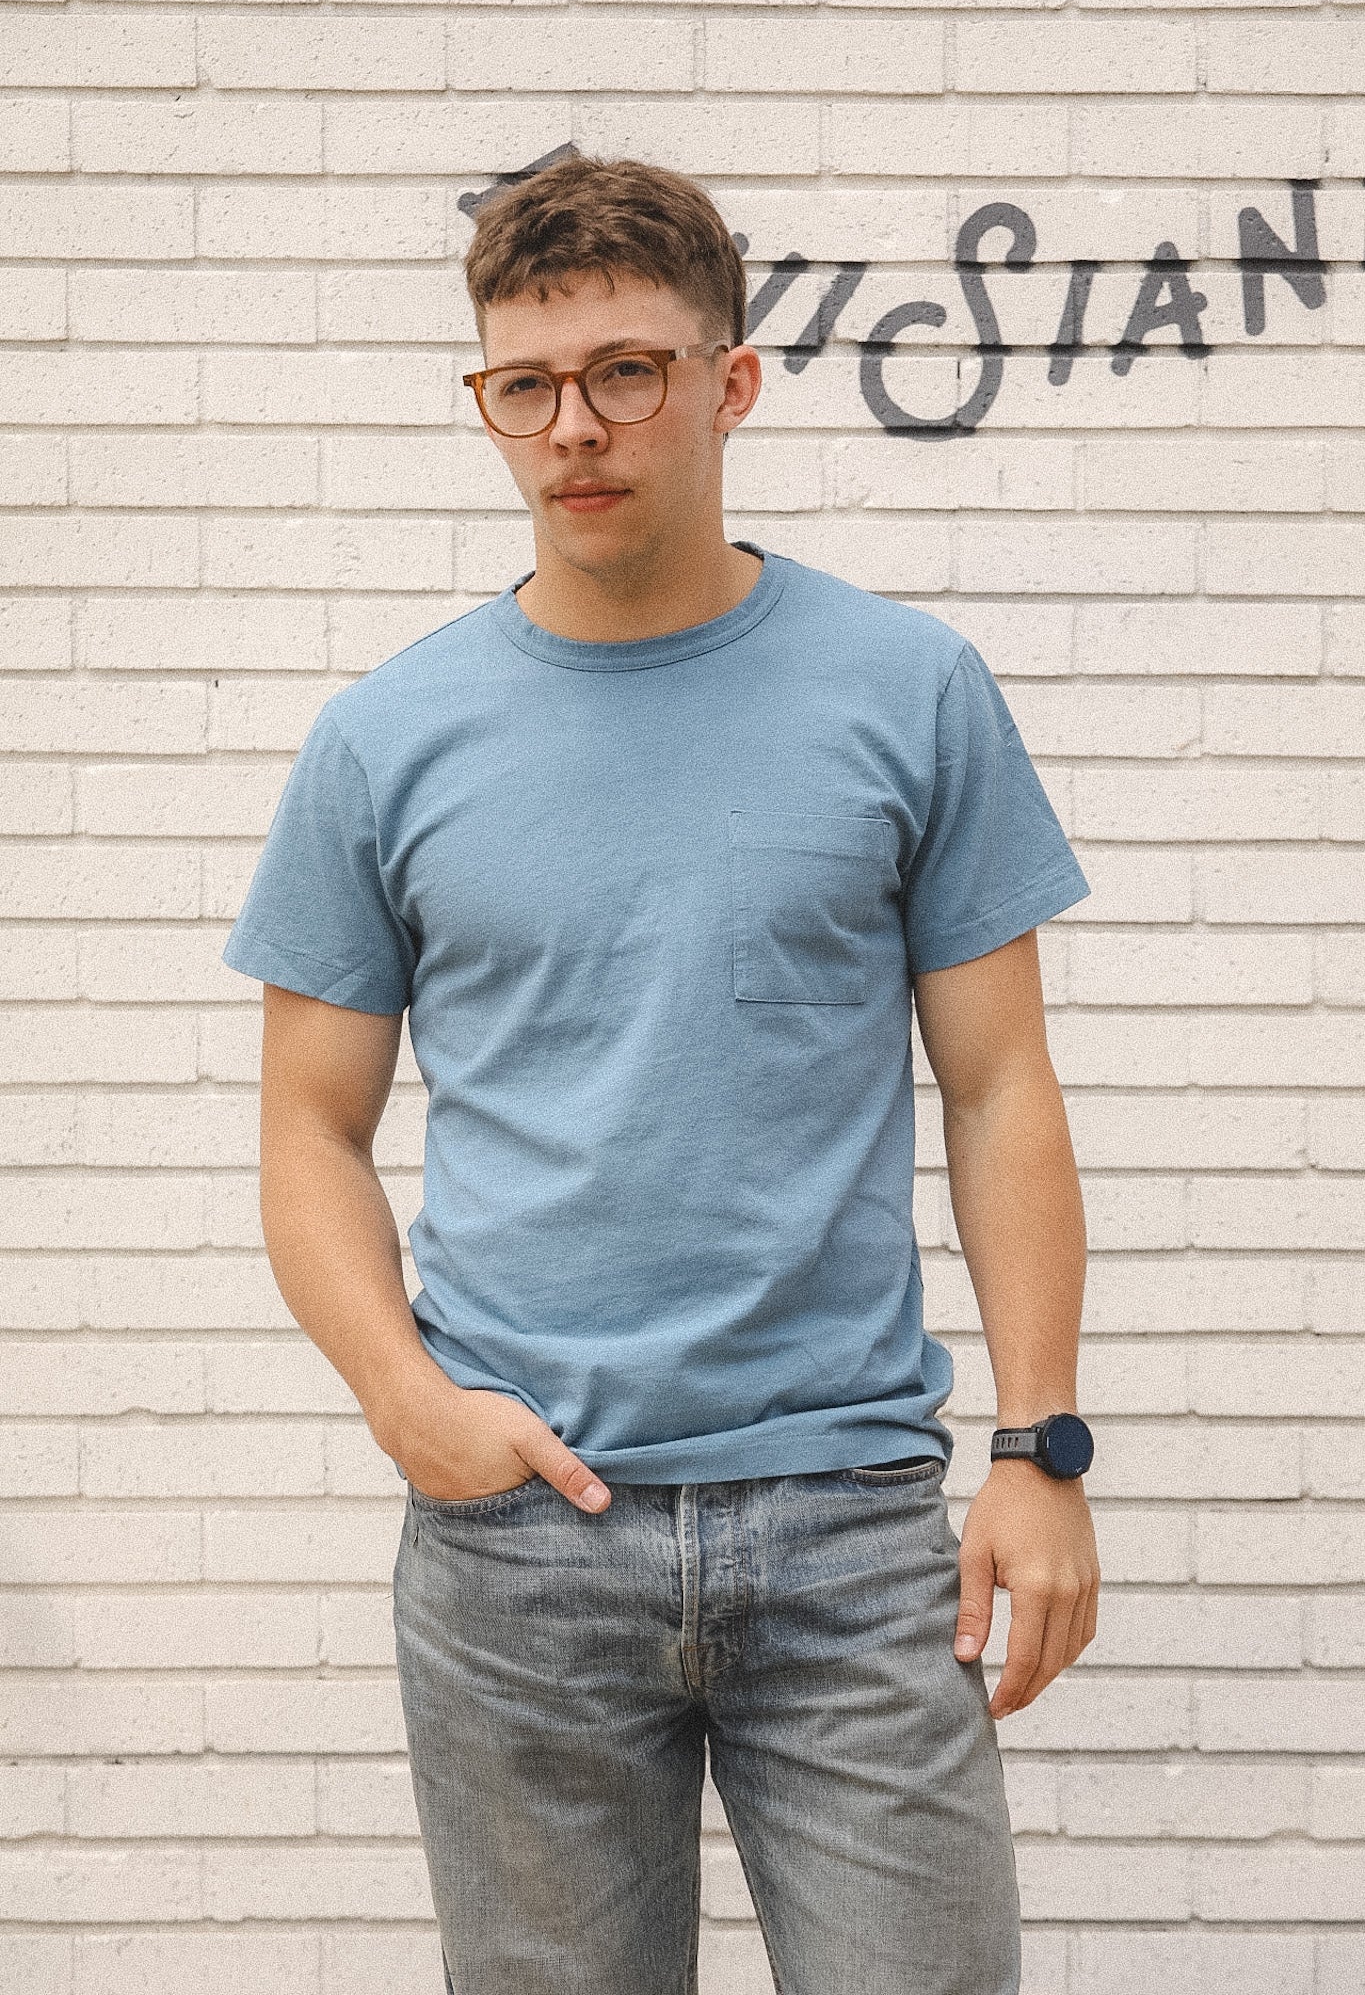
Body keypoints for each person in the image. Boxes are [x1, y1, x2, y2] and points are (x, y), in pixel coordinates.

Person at [222, 154, 1100, 1995]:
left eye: (627, 370)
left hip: (854, 1535)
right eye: (524, 386)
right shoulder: (386, 740)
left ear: (731, 380)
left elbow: (1000, 1082)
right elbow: (310, 1125)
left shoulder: (905, 688)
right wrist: (405, 1399)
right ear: (485, 402)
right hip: (519, 1542)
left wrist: (1037, 1446)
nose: (575, 427)